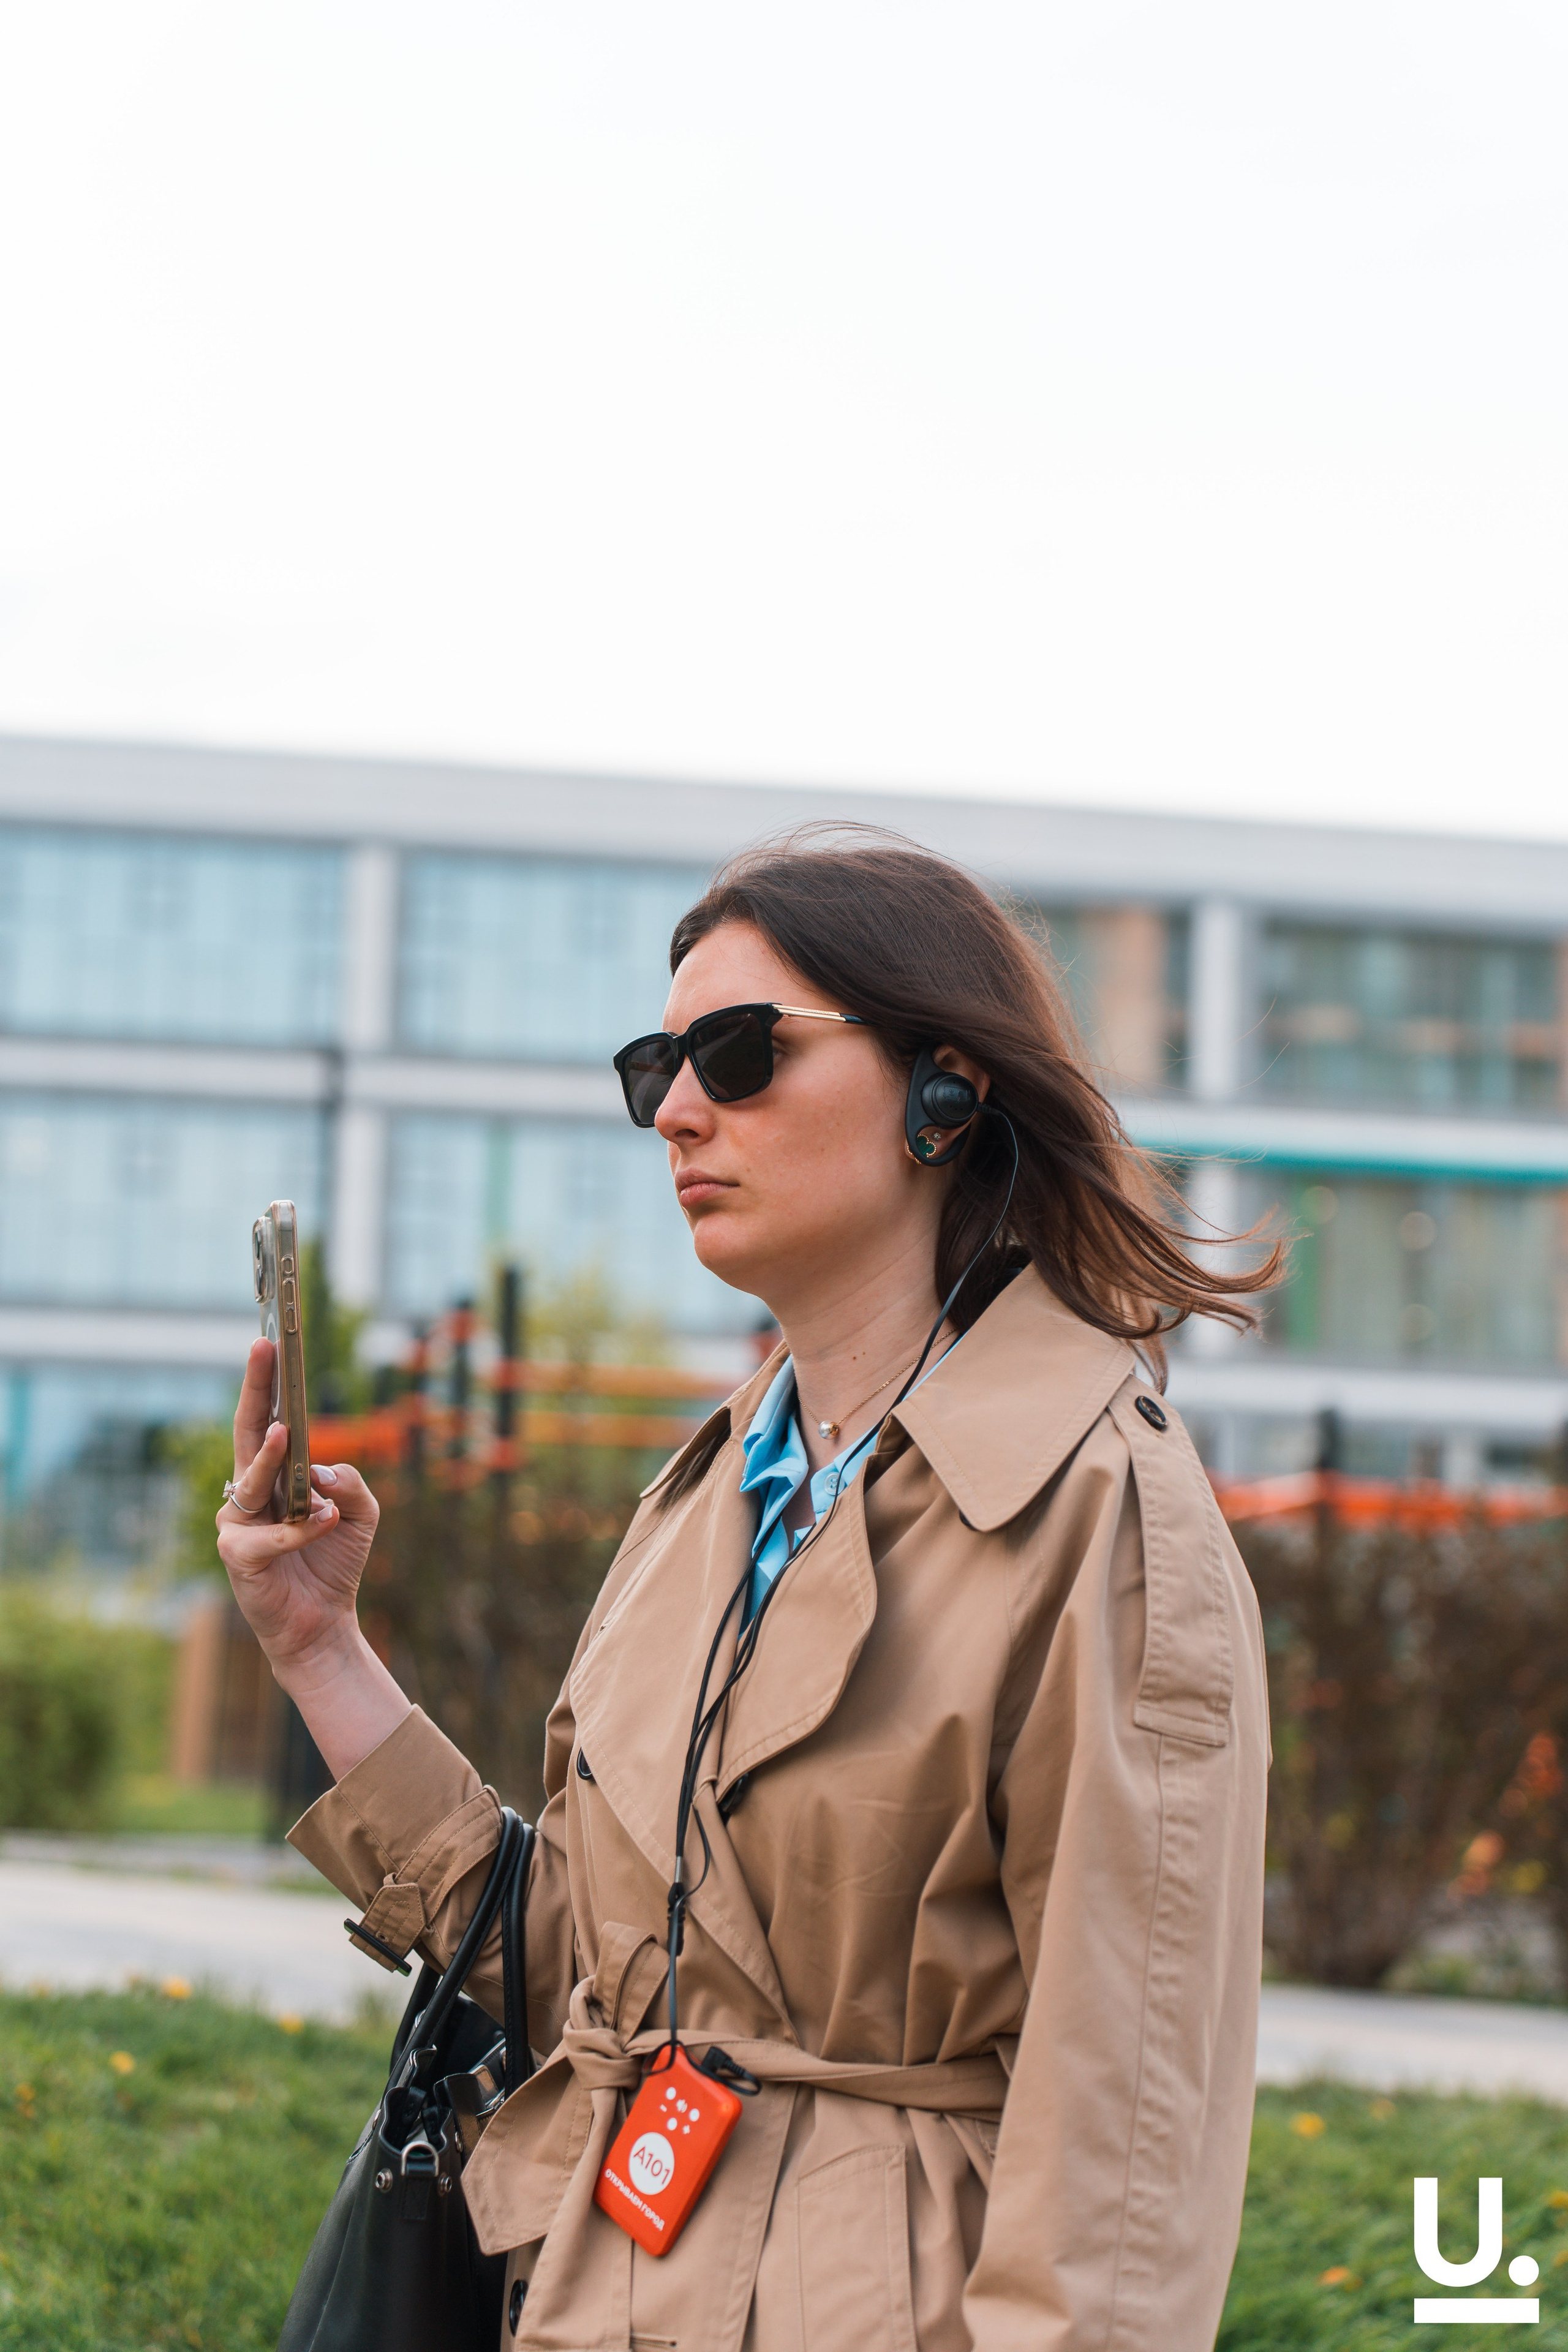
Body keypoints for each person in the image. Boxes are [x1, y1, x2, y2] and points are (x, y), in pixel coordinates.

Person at [217, 833, 1276, 2352]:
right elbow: (587, 1965)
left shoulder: (1098, 1510)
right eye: (659, 1063)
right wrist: (321, 1650)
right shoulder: (712, 1494)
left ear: (945, 1088)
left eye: (738, 1052)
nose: (678, 1111)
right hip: (592, 2293)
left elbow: (1125, 2142)